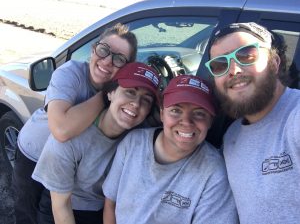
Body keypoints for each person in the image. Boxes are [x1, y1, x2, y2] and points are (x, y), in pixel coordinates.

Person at [12, 23, 137, 224]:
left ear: (128, 66)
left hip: (68, 167)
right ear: (94, 48)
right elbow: (61, 129)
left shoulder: (125, 94)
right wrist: (107, 95)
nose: (107, 61)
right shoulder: (70, 73)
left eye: (119, 58)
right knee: (27, 213)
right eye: (104, 50)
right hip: (34, 153)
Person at [31, 62, 161, 224]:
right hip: (67, 208)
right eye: (130, 92)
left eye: (146, 100)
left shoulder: (140, 138)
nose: (136, 103)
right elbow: (61, 206)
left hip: (104, 209)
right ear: (110, 93)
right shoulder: (69, 140)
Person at [103, 75, 239, 224]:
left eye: (199, 113)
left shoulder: (214, 173)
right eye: (176, 110)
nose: (186, 122)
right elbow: (111, 203)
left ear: (210, 121)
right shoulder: (133, 143)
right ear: (162, 114)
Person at [205, 22, 300, 223]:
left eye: (246, 55)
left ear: (274, 62)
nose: (234, 70)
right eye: (220, 65)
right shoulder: (232, 138)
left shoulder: (295, 117)